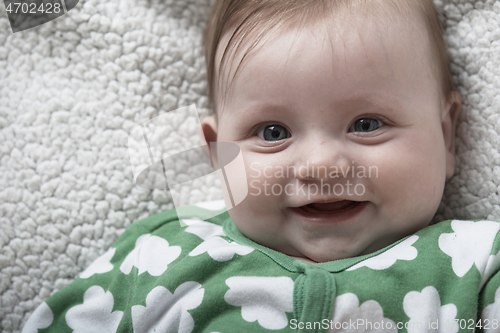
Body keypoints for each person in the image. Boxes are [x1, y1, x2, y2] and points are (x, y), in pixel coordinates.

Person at [23, 0, 500, 332]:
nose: (318, 166)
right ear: (218, 153)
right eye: (273, 133)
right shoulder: (161, 255)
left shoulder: (476, 266)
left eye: (367, 123)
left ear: (445, 134)